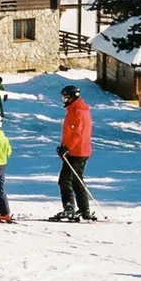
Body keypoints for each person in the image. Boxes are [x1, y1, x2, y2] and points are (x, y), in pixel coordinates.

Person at [52, 84, 96, 222]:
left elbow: (78, 134)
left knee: (64, 180)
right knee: (77, 180)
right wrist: (63, 146)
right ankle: (84, 210)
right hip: (78, 150)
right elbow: (71, 132)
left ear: (71, 98)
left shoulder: (78, 111)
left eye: (65, 97)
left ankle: (69, 208)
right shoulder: (75, 109)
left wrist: (67, 147)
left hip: (77, 151)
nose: (63, 100)